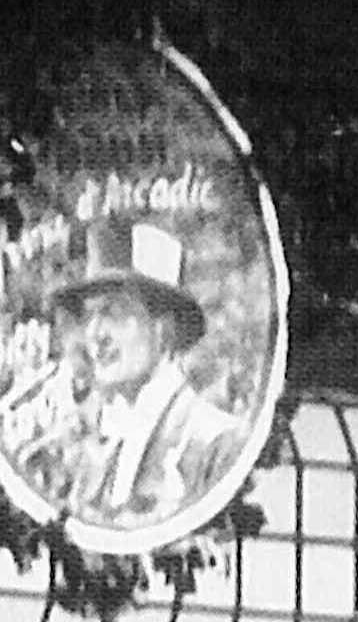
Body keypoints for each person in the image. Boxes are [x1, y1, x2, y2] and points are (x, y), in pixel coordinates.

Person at [55, 214, 253, 529]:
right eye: (89, 316)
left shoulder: (214, 440)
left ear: (165, 331)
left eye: (115, 312)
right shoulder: (108, 455)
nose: (95, 334)